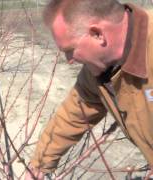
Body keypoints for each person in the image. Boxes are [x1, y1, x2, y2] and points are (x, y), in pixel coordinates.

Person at [25, 0, 153, 179]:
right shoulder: (96, 72)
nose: (68, 59)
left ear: (97, 34)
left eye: (70, 49)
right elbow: (72, 115)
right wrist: (38, 165)